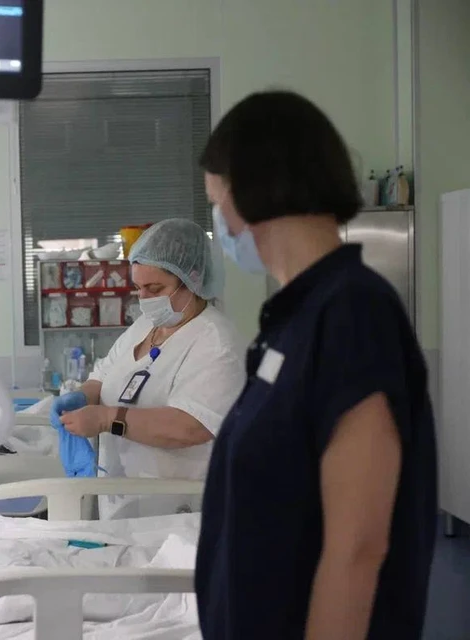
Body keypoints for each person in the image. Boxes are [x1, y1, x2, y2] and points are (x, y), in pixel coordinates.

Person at [194, 90, 437, 640]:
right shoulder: (295, 319)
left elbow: (358, 546)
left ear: (250, 191)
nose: (218, 221)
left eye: (215, 200)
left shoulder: (353, 314)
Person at [51, 219, 246, 519]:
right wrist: (81, 397)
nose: (144, 299)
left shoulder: (216, 342)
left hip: (177, 512)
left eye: (155, 288)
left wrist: (108, 418)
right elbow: (102, 377)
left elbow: (191, 426)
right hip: (124, 504)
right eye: (139, 288)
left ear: (193, 279)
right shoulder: (145, 326)